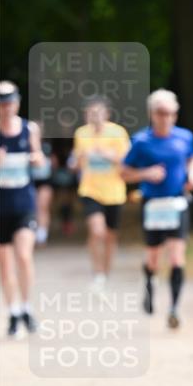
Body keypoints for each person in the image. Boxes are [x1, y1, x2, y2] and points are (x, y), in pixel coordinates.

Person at [121, 88, 193, 328]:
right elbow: (123, 172)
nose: (165, 117)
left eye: (170, 113)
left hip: (177, 201)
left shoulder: (185, 137)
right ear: (152, 114)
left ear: (175, 114)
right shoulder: (140, 141)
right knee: (154, 258)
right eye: (160, 113)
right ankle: (149, 282)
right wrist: (145, 173)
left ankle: (174, 308)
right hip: (153, 205)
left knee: (177, 256)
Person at [0, 81, 44, 336]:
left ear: (17, 103)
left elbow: (39, 158)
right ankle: (13, 312)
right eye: (1, 104)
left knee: (24, 256)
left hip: (23, 202)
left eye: (9, 103)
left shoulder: (29, 129)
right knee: (3, 263)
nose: (6, 108)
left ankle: (27, 307)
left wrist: (37, 159)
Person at [72, 96, 131, 291]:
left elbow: (128, 160)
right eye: (90, 113)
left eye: (97, 112)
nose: (94, 116)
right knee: (97, 231)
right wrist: (77, 161)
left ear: (106, 113)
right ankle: (97, 273)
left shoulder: (117, 133)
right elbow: (78, 163)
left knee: (110, 235)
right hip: (90, 189)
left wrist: (107, 154)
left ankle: (106, 272)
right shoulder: (81, 134)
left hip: (114, 191)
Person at [31, 137, 54, 245]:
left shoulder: (48, 146)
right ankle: (32, 233)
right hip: (30, 181)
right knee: (32, 208)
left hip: (45, 181)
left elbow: (55, 162)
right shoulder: (25, 144)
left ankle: (42, 235)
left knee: (43, 206)